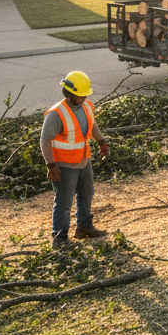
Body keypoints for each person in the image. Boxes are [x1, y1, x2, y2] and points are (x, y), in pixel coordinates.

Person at [41, 71, 110, 248]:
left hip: (83, 160)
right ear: (68, 93)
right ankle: (60, 239)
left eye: (85, 95)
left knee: (87, 193)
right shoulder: (56, 114)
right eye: (81, 95)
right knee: (64, 202)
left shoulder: (86, 106)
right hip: (64, 165)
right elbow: (45, 140)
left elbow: (92, 125)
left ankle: (84, 227)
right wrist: (51, 166)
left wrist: (101, 141)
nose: (84, 98)